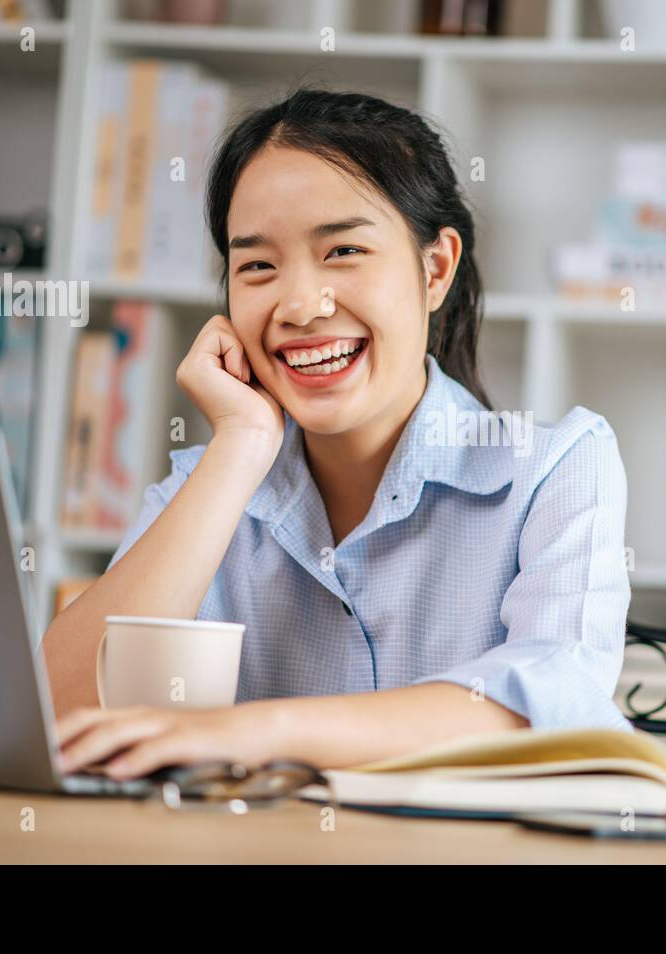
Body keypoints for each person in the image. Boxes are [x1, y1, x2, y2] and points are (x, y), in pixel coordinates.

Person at [42, 87, 632, 778]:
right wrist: (239, 446)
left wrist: (255, 732)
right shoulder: (210, 487)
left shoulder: (555, 467)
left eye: (343, 250)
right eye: (257, 265)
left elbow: (549, 703)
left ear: (435, 267)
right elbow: (62, 715)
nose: (299, 305)